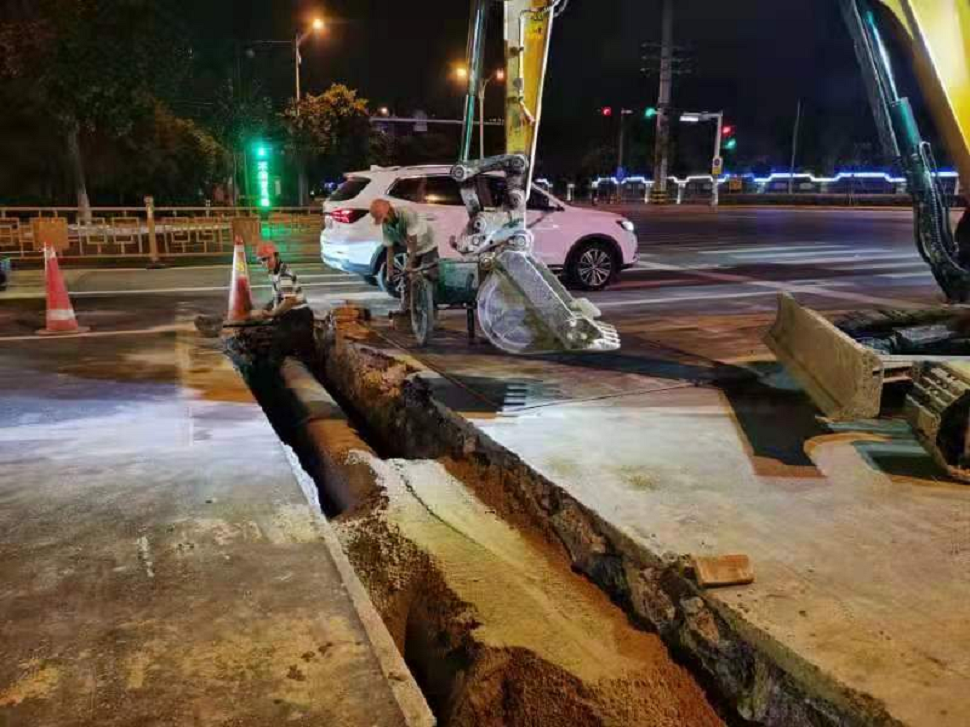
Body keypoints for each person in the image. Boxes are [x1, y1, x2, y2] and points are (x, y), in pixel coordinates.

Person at [368, 198, 438, 316]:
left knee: (430, 276)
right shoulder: (386, 225)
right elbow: (389, 249)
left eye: (384, 217)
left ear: (390, 211)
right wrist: (390, 272)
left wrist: (409, 263)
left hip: (426, 245)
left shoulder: (407, 214)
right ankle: (405, 309)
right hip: (411, 247)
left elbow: (413, 243)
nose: (384, 221)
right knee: (406, 278)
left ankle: (432, 310)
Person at [250, 242, 314, 354]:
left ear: (276, 256)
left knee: (280, 353)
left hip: (298, 318)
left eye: (268, 258)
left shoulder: (283, 275)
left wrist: (272, 313)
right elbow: (278, 297)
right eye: (262, 260)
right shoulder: (274, 272)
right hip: (292, 316)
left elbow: (290, 301)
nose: (265, 263)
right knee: (299, 351)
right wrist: (266, 309)